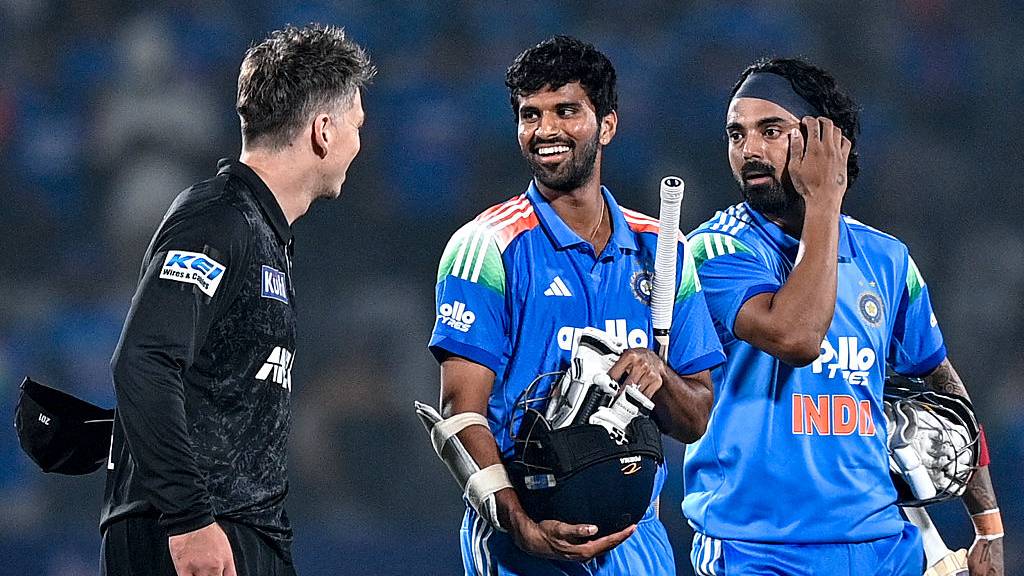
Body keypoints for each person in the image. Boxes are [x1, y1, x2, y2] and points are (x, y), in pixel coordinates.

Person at [683, 57, 1003, 575]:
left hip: (885, 546)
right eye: (736, 135)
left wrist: (987, 523)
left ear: (824, 140)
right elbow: (797, 336)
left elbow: (945, 388)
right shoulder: (714, 250)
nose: (749, 151)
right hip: (758, 551)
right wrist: (825, 200)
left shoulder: (888, 259)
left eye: (771, 130)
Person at [426, 35, 724, 576]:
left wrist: (661, 376)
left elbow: (696, 417)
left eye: (566, 111)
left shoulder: (664, 250)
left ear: (606, 124)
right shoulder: (485, 248)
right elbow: (460, 413)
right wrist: (522, 527)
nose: (545, 131)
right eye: (530, 114)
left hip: (639, 543)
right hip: (522, 540)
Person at [99, 24, 375, 576]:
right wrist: (189, 520)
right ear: (323, 130)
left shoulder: (260, 230)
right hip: (196, 537)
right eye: (356, 125)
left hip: (236, 531)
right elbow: (145, 359)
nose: (359, 144)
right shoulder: (221, 220)